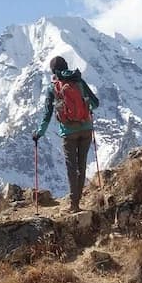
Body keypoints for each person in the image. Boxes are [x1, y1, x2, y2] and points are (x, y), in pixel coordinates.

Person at [32, 56, 100, 213]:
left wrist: (38, 133)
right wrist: (86, 106)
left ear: (53, 71)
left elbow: (47, 115)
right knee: (81, 165)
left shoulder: (53, 88)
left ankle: (73, 205)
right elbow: (95, 103)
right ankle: (77, 201)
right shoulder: (78, 81)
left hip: (68, 132)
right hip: (86, 129)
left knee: (71, 167)